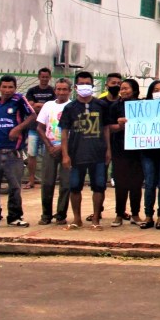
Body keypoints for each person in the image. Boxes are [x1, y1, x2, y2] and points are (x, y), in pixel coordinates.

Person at [0, 75, 36, 229]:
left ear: (15, 88)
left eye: (10, 87)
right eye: (4, 87)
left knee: (14, 187)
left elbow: (32, 116)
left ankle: (15, 217)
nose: (7, 90)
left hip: (13, 151)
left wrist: (18, 128)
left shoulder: (19, 100)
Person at [60, 71, 109, 231]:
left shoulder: (101, 105)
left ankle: (96, 219)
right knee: (74, 187)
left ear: (93, 86)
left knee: (99, 187)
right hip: (76, 153)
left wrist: (108, 149)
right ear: (75, 87)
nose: (84, 87)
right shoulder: (70, 108)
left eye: (87, 84)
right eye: (81, 84)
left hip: (98, 153)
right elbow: (64, 132)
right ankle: (77, 219)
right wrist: (65, 154)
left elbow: (106, 128)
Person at [105, 79, 143, 227]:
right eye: (122, 88)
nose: (123, 90)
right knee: (121, 183)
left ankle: (135, 214)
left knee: (136, 183)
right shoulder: (115, 106)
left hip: (138, 150)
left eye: (127, 88)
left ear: (134, 90)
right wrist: (119, 126)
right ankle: (119, 214)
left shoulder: (142, 105)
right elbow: (108, 127)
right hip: (120, 149)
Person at [37, 78, 73, 225]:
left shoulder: (73, 106)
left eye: (64, 89)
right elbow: (40, 127)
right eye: (58, 89)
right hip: (49, 149)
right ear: (55, 90)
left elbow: (76, 131)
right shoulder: (48, 105)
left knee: (66, 184)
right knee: (47, 183)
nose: (61, 92)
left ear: (70, 91)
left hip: (67, 150)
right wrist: (49, 146)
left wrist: (62, 147)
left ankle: (61, 215)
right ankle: (46, 215)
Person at [138, 80, 160, 230]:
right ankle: (148, 215)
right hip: (148, 151)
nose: (159, 92)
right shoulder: (142, 106)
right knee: (150, 183)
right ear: (151, 92)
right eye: (156, 90)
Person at [24, 67, 57, 189]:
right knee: (31, 154)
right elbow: (30, 106)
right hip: (33, 127)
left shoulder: (53, 91)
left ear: (49, 78)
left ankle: (45, 180)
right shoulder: (32, 90)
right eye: (42, 77)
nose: (44, 79)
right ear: (39, 77)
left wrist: (38, 105)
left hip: (48, 128)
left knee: (47, 155)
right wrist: (44, 106)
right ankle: (31, 180)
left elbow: (53, 106)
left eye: (46, 77)